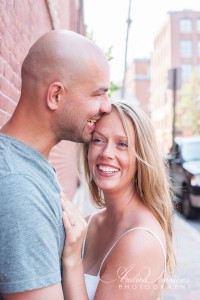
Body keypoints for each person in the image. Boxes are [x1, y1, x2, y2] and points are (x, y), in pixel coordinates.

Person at [0, 30, 111, 299]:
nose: (107, 107)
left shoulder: (26, 166)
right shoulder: (19, 187)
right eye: (98, 94)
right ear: (56, 95)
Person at [60, 101, 176, 300]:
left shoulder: (140, 242)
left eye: (122, 144)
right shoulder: (89, 223)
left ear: (142, 157)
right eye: (98, 140)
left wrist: (72, 261)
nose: (106, 153)